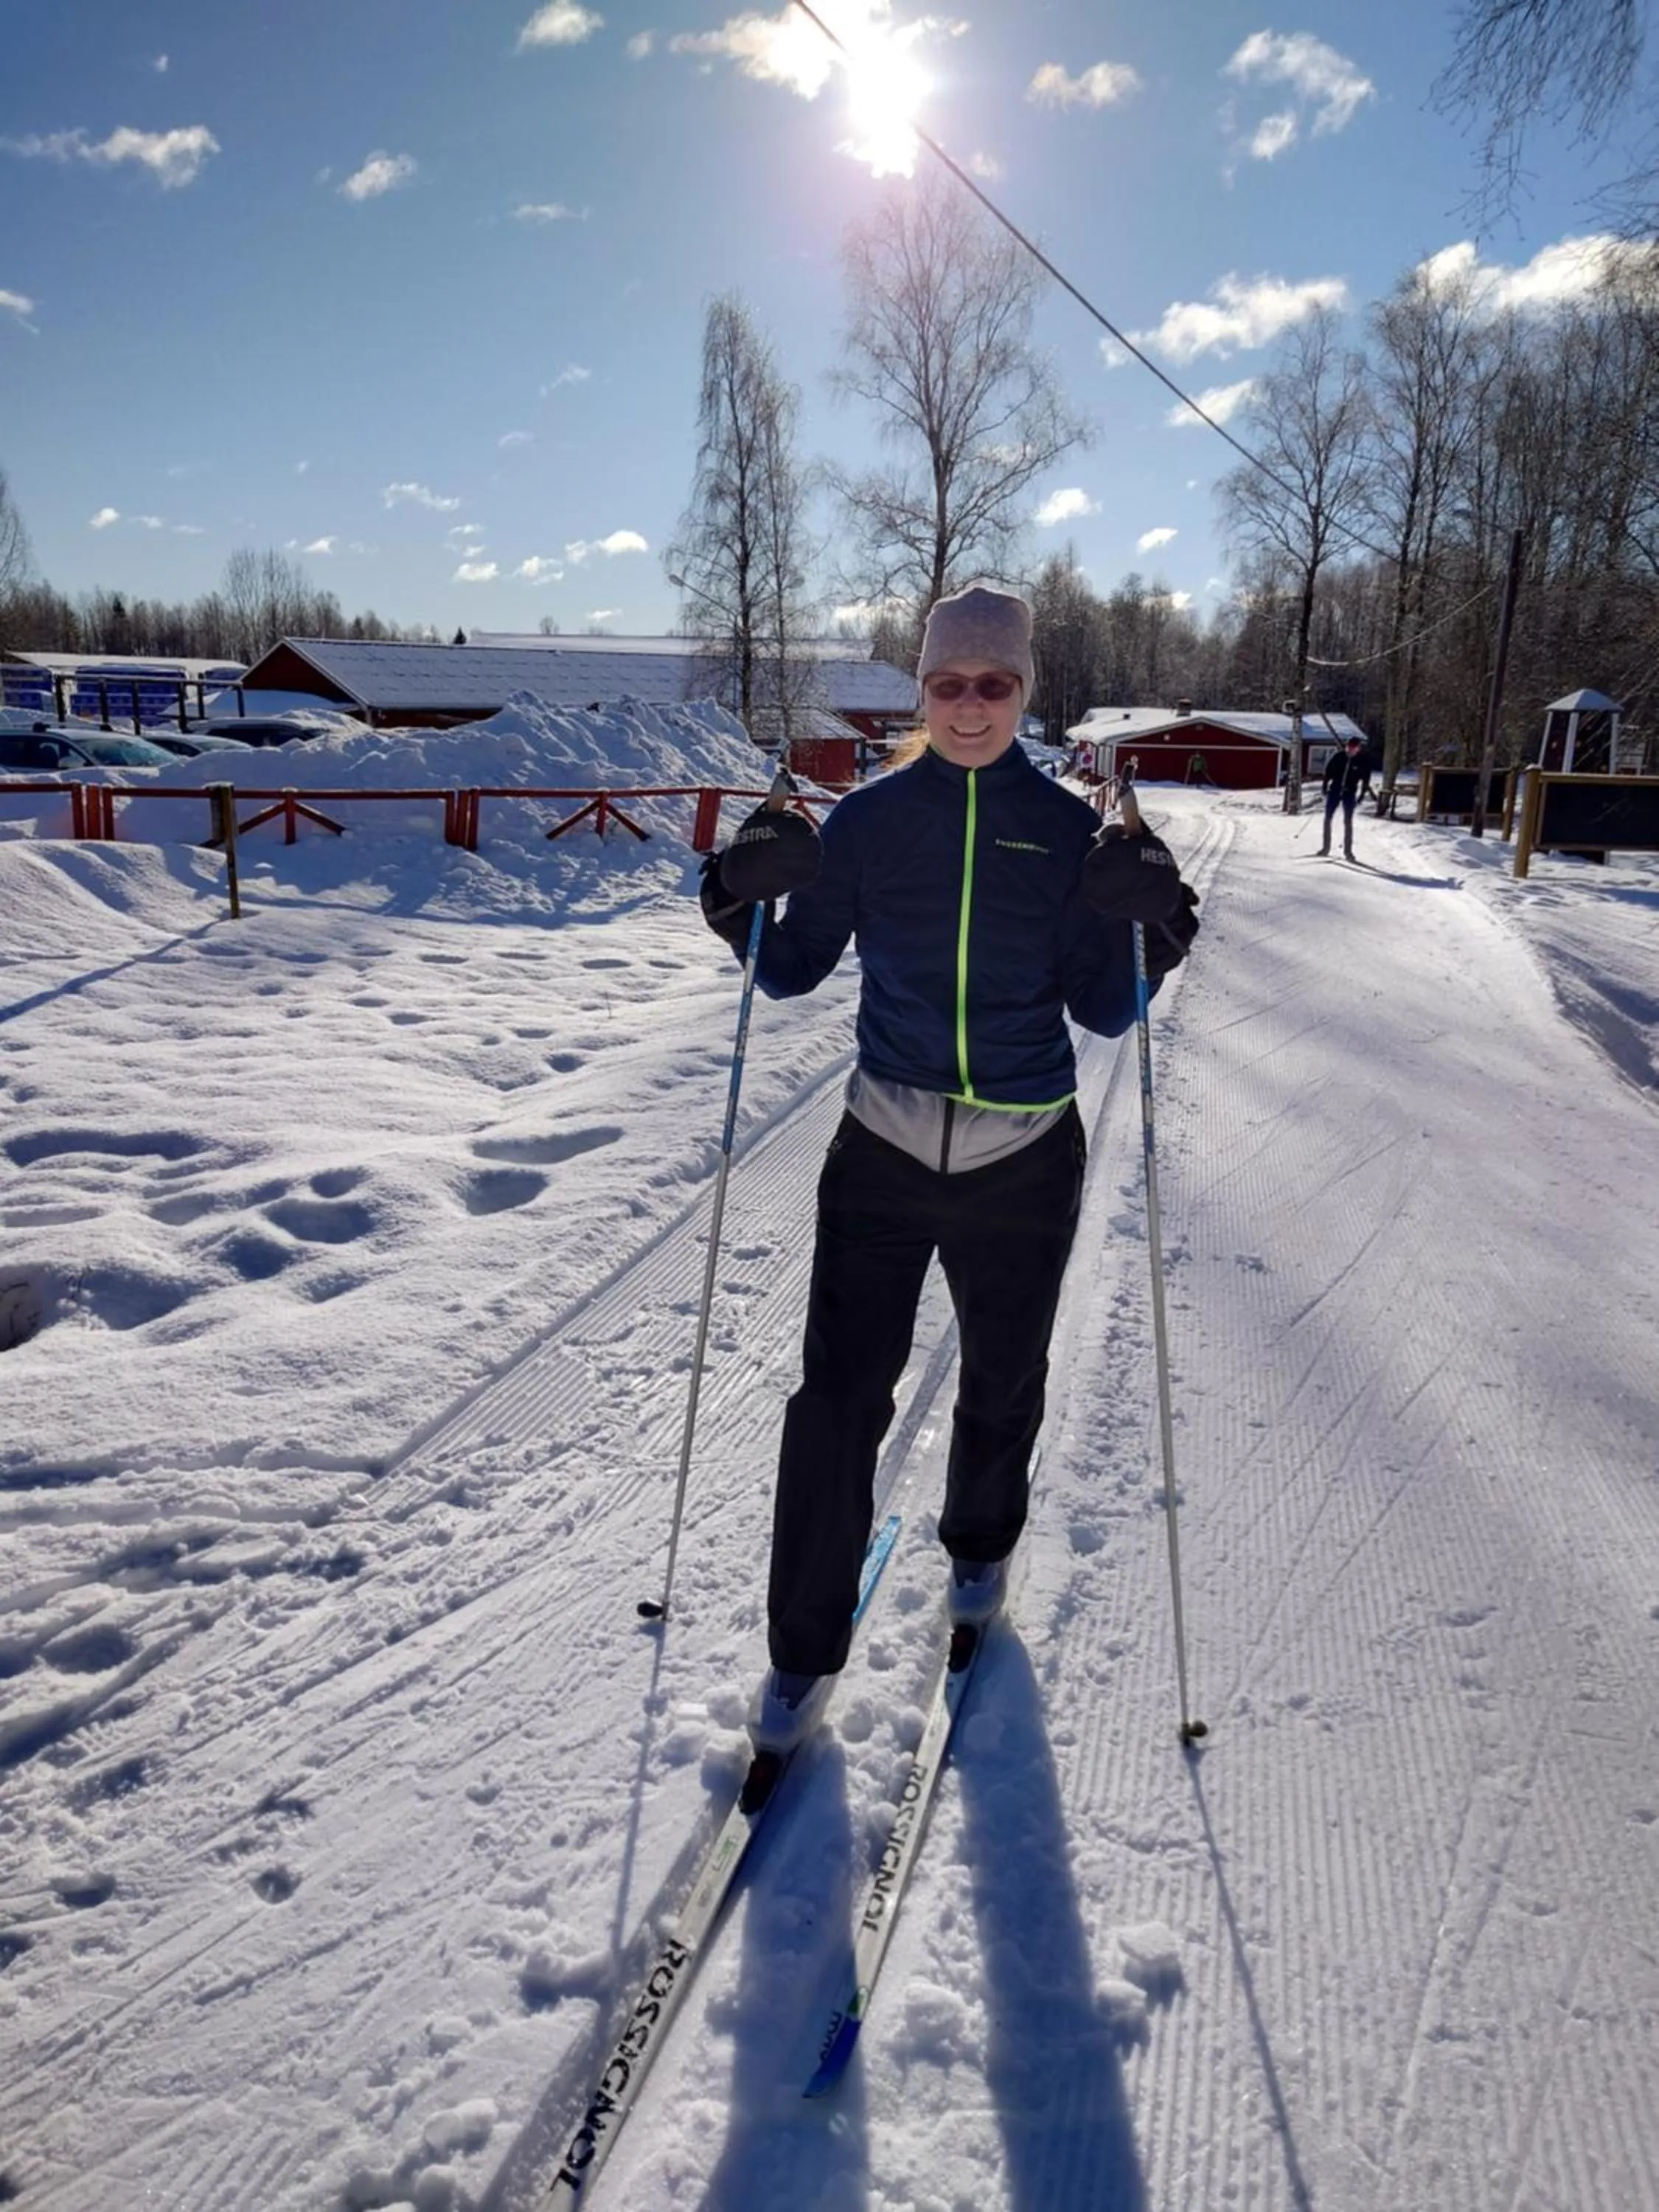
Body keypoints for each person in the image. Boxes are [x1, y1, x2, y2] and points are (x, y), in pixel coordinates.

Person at [698, 584, 1203, 1751]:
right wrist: (742, 885)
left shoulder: (1074, 833)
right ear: (919, 690)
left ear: (1025, 693)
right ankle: (800, 1647)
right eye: (946, 683)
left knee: (1001, 1375)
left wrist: (1156, 923)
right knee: (833, 1403)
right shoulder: (869, 825)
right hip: (879, 1147)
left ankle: (979, 1551)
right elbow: (787, 969)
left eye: (995, 684)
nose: (969, 705)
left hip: (1022, 1155)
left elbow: (1105, 1004)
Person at [1321, 735, 1374, 858]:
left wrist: (1361, 795)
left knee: (1348, 820)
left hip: (1349, 792)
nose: (1350, 750)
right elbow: (1328, 772)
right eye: (1348, 747)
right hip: (1335, 790)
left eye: (1353, 748)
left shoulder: (1362, 761)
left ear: (1358, 749)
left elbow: (1366, 780)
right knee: (1328, 817)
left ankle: (1348, 851)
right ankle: (1326, 848)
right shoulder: (1338, 757)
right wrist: (1324, 787)